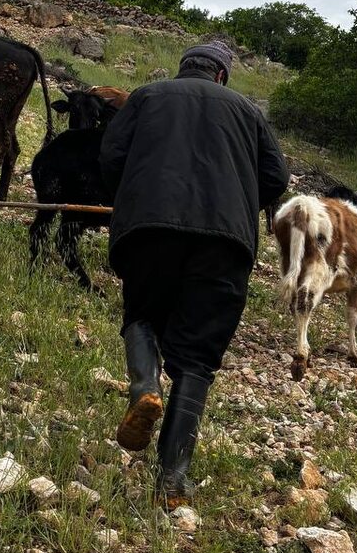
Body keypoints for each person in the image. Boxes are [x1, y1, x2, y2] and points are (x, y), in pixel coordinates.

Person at [99, 40, 289, 507]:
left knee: (142, 314)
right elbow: (276, 178)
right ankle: (172, 480)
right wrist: (239, 197)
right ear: (221, 75)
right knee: (198, 357)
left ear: (183, 68)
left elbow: (108, 161)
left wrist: (134, 193)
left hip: (148, 230)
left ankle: (145, 387)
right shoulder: (248, 112)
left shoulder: (147, 95)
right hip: (225, 243)